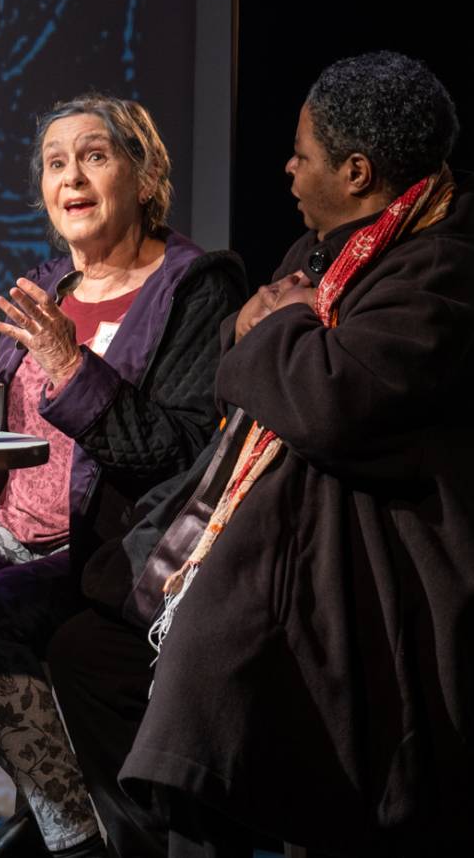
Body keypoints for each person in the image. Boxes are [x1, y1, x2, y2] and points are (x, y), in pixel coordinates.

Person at [48, 51, 474, 857]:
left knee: (212, 671)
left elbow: (325, 399)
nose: (287, 169)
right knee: (90, 656)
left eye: (304, 155)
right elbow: (241, 374)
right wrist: (270, 329)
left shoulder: (442, 267)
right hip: (267, 548)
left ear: (357, 171)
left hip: (371, 574)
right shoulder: (319, 252)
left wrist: (270, 329)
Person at [0, 94, 247, 857]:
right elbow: (0, 463)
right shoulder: (46, 291)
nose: (72, 175)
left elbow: (179, 455)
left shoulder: (195, 289)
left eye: (96, 155)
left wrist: (73, 368)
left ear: (145, 177)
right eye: (55, 162)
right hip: (11, 537)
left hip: (113, 555)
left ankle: (75, 839)